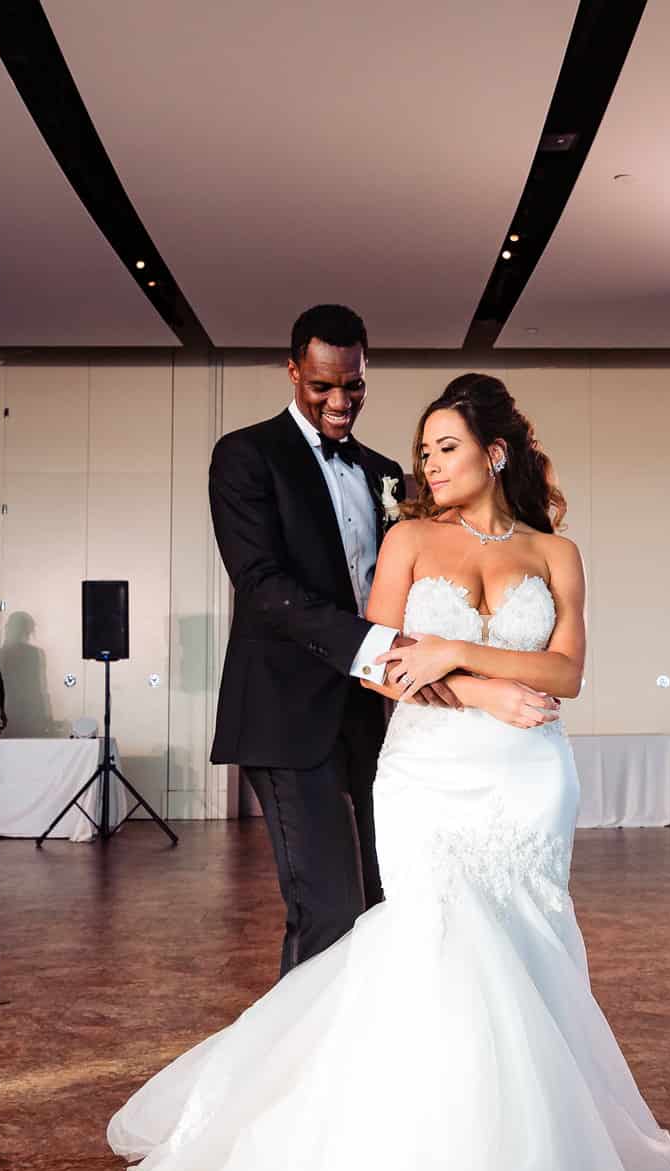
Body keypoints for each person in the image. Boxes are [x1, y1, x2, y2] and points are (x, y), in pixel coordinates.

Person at [107, 374, 670, 1171]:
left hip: (531, 785)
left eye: (445, 447)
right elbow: (387, 668)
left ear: (494, 452)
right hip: (429, 776)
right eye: (422, 451)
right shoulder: (408, 540)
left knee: (530, 963)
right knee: (438, 956)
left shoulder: (557, 553)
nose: (427, 464)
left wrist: (459, 655)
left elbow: (568, 671)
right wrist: (483, 686)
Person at [205, 304, 452, 978]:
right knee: (327, 910)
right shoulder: (246, 455)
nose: (341, 402)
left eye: (355, 386)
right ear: (292, 372)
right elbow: (261, 583)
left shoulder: (385, 472)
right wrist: (380, 645)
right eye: (322, 387)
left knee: (385, 898)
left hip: (373, 715)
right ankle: (296, 1073)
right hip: (284, 714)